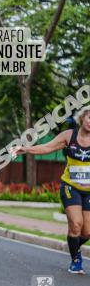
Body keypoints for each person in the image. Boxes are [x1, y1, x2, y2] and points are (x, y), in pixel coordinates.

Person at [13, 106, 90, 274]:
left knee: (87, 231)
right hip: (71, 187)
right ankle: (76, 259)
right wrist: (26, 149)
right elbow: (47, 148)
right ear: (82, 118)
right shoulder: (69, 136)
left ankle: (72, 243)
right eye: (89, 117)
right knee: (76, 224)